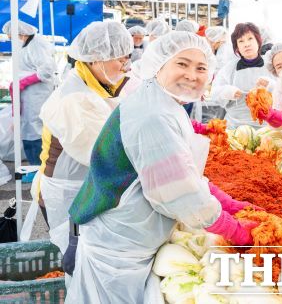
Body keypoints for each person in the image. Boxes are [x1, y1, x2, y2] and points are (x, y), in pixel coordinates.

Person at [65, 32, 257, 302]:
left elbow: (182, 171)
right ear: (160, 64)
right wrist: (234, 229)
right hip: (119, 245)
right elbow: (179, 192)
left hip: (128, 234)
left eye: (201, 68)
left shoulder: (163, 101)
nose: (192, 75)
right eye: (182, 64)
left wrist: (230, 203)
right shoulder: (153, 114)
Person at [37, 21, 132, 257]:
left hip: (85, 188)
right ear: (96, 58)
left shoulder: (94, 84)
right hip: (68, 193)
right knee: (77, 259)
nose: (125, 66)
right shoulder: (75, 99)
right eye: (120, 59)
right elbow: (102, 154)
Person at [2, 20, 57, 166]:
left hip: (37, 94)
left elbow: (46, 70)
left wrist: (23, 82)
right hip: (28, 93)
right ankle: (35, 166)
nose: (10, 39)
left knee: (34, 129)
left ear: (21, 33)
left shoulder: (37, 44)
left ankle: (38, 168)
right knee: (27, 128)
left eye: (11, 36)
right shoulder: (27, 44)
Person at [209, 22, 274, 128]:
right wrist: (226, 92)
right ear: (237, 47)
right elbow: (215, 92)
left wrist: (272, 86)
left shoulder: (271, 65)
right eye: (241, 41)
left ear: (258, 41)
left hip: (267, 127)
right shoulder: (229, 69)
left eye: (250, 39)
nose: (246, 44)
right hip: (236, 126)